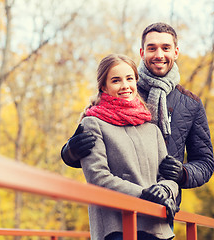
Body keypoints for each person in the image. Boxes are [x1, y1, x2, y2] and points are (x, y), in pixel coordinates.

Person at [61, 22, 214, 222]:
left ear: (176, 52)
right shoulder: (124, 88)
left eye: (165, 48)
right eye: (152, 48)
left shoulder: (190, 104)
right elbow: (91, 154)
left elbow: (205, 162)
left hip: (163, 207)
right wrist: (69, 151)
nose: (159, 54)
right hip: (118, 210)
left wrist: (183, 173)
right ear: (142, 52)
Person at [79, 53, 178, 240]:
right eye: (116, 80)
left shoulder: (152, 128)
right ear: (103, 86)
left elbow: (168, 176)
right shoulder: (93, 124)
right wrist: (146, 195)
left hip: (158, 228)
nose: (125, 86)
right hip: (118, 228)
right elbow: (98, 177)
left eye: (129, 78)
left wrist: (164, 190)